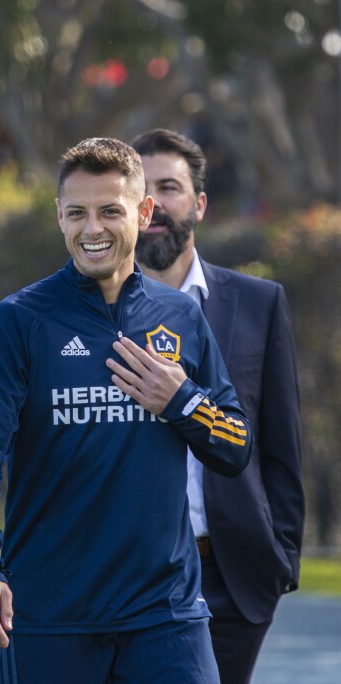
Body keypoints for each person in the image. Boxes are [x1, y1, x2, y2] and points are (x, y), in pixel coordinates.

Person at [0, 137, 254, 683]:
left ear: (143, 213)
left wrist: (181, 400)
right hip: (49, 619)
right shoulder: (20, 320)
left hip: (166, 618)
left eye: (110, 211)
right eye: (77, 214)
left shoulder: (180, 317)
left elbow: (236, 445)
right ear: (59, 218)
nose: (92, 230)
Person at [131, 128, 304, 684]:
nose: (154, 205)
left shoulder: (260, 304)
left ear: (200, 204)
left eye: (170, 187)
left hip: (230, 578)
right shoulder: (88, 314)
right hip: (125, 574)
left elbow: (281, 445)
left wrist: (281, 559)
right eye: (142, 190)